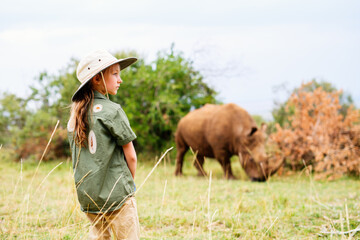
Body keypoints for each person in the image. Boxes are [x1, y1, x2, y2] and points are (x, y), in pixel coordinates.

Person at [67, 49, 140, 240]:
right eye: (115, 73)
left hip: (89, 198)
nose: (120, 79)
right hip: (118, 196)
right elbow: (131, 156)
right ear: (97, 79)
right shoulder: (113, 110)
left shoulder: (75, 115)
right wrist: (128, 189)